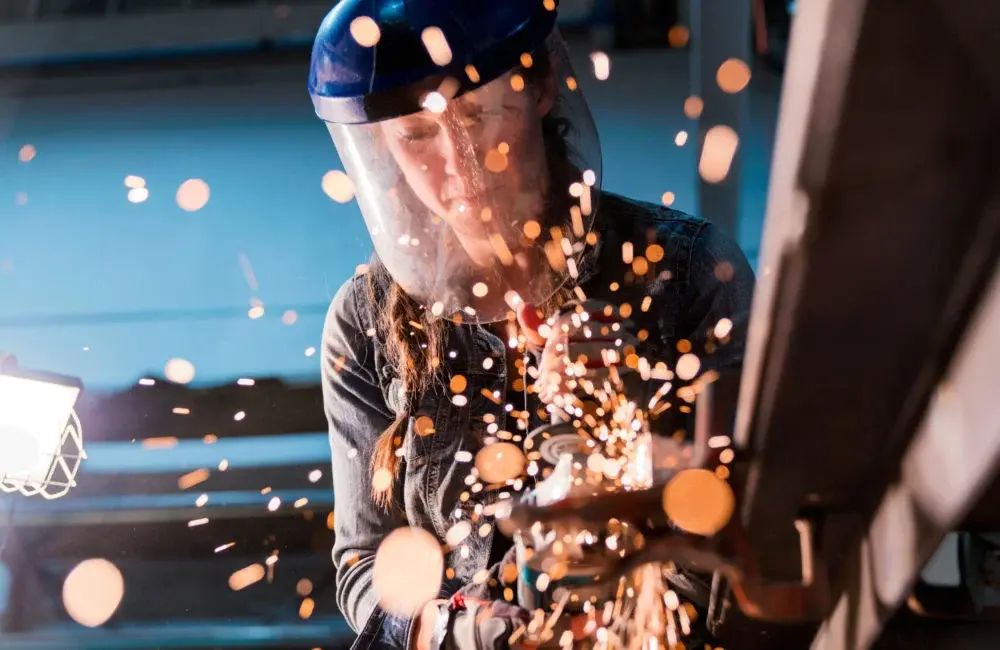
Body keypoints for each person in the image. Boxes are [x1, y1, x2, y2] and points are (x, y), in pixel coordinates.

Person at [309, 1, 755, 649]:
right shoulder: (366, 321)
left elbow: (754, 532)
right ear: (379, 145)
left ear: (543, 86)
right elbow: (363, 563)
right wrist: (452, 630)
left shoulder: (686, 273)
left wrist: (636, 425)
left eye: (479, 114)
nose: (460, 163)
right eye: (416, 137)